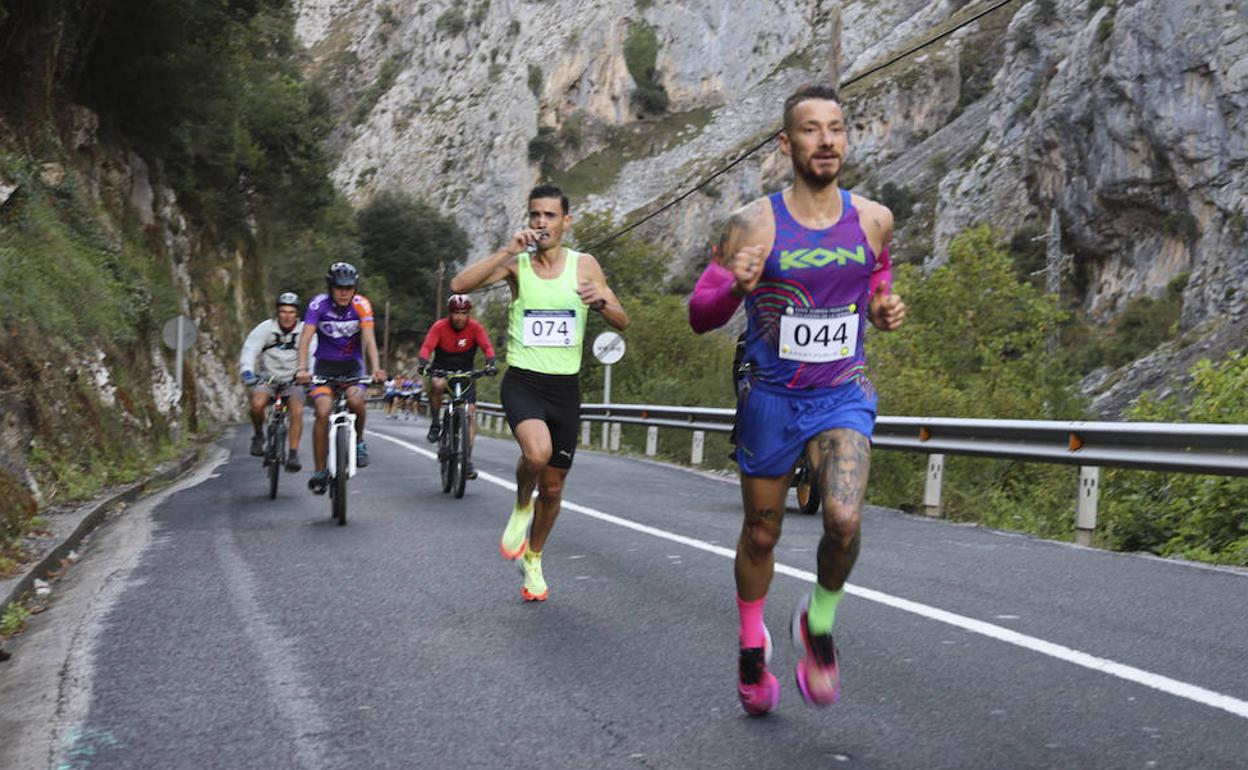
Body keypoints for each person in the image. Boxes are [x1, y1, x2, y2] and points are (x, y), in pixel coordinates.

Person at [687, 84, 906, 716]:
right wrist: (734, 284)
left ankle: (818, 622)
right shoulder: (752, 225)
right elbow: (700, 315)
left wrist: (882, 303)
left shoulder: (873, 218)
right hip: (772, 397)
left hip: (842, 391)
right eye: (811, 130)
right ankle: (752, 646)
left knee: (843, 520)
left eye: (836, 128)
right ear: (787, 143)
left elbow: (878, 272)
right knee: (762, 532)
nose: (826, 140)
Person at [451, 184, 628, 601]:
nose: (541, 223)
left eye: (550, 216)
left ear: (566, 222)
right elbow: (459, 284)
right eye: (535, 215)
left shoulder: (585, 266)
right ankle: (519, 506)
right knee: (536, 454)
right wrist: (505, 252)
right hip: (524, 380)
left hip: (564, 388)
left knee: (553, 488)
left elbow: (622, 320)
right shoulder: (518, 265)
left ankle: (533, 557)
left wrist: (601, 301)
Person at [295, 262, 386, 494]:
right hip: (324, 367)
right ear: (330, 287)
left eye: (349, 287)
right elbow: (305, 339)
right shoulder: (318, 305)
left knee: (356, 402)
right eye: (339, 287)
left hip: (353, 368)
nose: (344, 292)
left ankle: (359, 442)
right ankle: (319, 470)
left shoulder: (361, 305)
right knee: (323, 411)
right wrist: (302, 369)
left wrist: (376, 368)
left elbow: (369, 340)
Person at [418, 293, 498, 479]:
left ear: (468, 313)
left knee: (470, 413)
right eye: (455, 313)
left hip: (465, 374)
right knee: (437, 385)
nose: (459, 317)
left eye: (463, 313)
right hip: (442, 371)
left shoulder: (475, 328)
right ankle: (436, 424)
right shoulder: (439, 327)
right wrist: (423, 362)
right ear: (450, 313)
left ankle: (467, 460)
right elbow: (427, 347)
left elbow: (487, 347)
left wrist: (491, 363)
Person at [239, 292, 313, 471]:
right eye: (283, 312)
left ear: (297, 314)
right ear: (277, 313)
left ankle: (293, 454)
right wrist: (247, 371)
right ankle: (258, 435)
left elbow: (313, 353)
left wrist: (310, 374)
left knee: (296, 410)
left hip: (294, 380)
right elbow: (250, 349)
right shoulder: (265, 328)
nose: (287, 316)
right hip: (268, 378)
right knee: (257, 406)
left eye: (291, 312)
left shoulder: (305, 331)